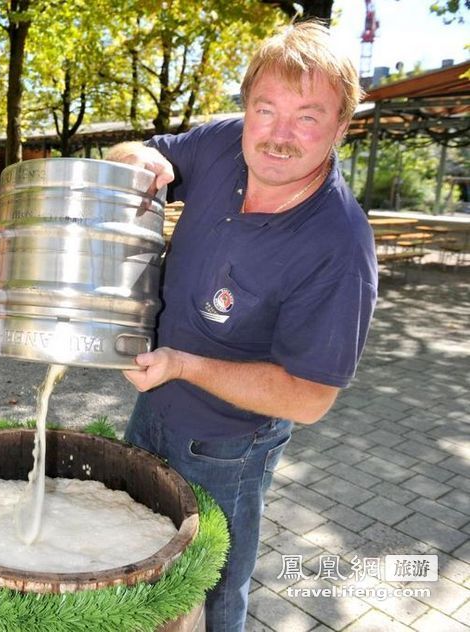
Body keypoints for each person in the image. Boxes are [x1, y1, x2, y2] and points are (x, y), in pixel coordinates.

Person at [108, 21, 378, 632]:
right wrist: (136, 159)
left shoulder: (338, 246)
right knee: (134, 555)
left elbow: (309, 398)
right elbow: (142, 154)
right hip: (151, 407)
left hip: (226, 446)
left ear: (340, 128)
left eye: (308, 117)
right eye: (266, 109)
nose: (279, 136)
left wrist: (182, 365)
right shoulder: (223, 143)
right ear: (246, 107)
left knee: (213, 589)